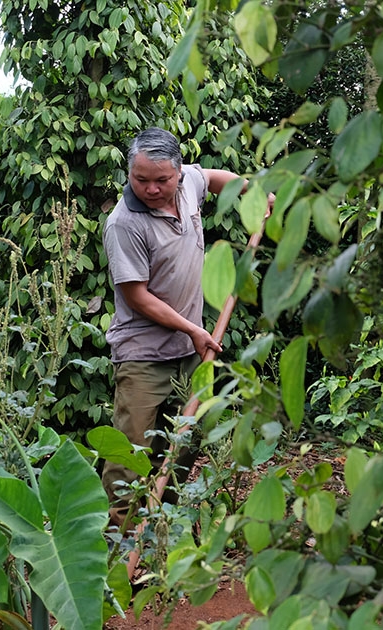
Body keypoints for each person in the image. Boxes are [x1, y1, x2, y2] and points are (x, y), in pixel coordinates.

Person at [100, 127, 249, 526]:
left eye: (162, 180)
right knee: (129, 460)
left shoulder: (188, 187)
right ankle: (117, 550)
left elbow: (216, 178)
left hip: (189, 353)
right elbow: (137, 296)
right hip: (143, 358)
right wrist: (193, 329)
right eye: (141, 179)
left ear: (178, 173)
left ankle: (157, 533)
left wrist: (255, 192)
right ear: (130, 173)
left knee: (184, 446)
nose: (151, 189)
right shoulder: (124, 223)